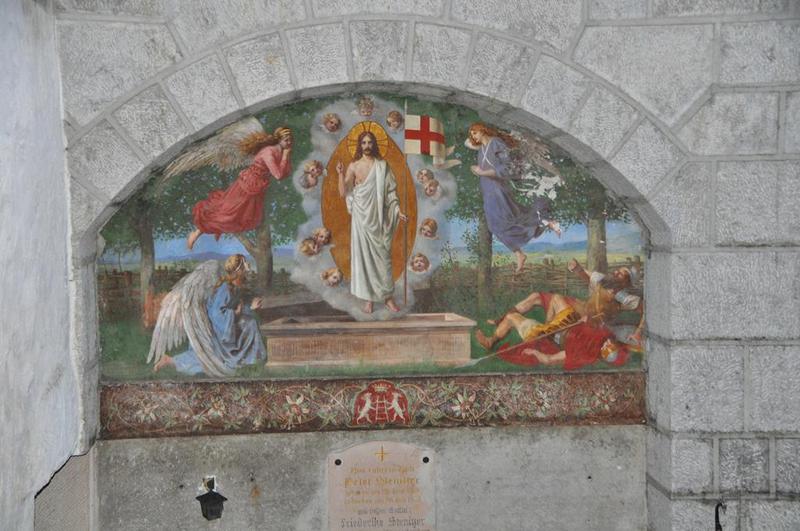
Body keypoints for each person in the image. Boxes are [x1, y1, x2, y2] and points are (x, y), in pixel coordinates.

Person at [476, 260, 643, 351]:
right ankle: (492, 340)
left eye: (621, 274)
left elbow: (646, 310)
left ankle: (544, 333)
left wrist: (638, 332)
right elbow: (585, 276)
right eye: (618, 271)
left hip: (587, 323)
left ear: (626, 282)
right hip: (576, 310)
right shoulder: (602, 280)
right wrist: (576, 269)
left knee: (552, 304)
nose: (616, 272)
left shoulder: (624, 298)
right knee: (550, 298)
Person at [466, 122, 560, 273]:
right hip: (488, 191)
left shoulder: (496, 143)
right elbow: (481, 165)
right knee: (497, 224)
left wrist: (482, 172)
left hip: (497, 190)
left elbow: (507, 167)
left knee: (506, 220)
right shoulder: (482, 149)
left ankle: (543, 224)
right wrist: (477, 170)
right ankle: (520, 251)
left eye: (475, 132)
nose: (473, 136)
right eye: (471, 134)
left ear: (483, 130)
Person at [154, 254, 267, 374]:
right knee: (206, 359)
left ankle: (251, 359)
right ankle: (169, 360)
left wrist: (251, 307)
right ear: (238, 270)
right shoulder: (225, 288)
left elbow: (236, 308)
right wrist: (235, 314)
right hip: (217, 330)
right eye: (244, 264)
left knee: (250, 323)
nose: (248, 266)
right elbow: (216, 314)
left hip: (227, 326)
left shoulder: (235, 287)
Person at [186, 127, 293, 250]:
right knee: (227, 212)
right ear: (278, 140)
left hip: (257, 188)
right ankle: (197, 232)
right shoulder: (269, 152)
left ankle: (199, 232)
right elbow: (278, 175)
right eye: (286, 140)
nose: (289, 142)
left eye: (291, 139)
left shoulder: (281, 152)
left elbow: (286, 172)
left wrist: (285, 156)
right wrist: (285, 156)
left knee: (242, 217)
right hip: (247, 185)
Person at [336, 131, 407, 313]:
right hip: (361, 217)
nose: (366, 146)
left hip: (379, 217)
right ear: (359, 145)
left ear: (374, 144)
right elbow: (343, 192)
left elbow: (390, 192)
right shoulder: (354, 166)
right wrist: (340, 173)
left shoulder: (382, 166)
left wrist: (397, 210)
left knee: (383, 257)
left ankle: (387, 298)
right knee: (364, 259)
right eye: (364, 143)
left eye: (369, 142)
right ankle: (369, 299)